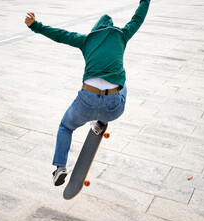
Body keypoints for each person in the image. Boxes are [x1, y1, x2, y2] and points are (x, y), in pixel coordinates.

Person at [25, 0, 151, 186]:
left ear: (96, 29)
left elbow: (60, 35)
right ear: (111, 28)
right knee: (122, 83)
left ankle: (60, 167)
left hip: (86, 101)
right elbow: (138, 18)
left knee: (66, 127)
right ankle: (102, 122)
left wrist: (35, 25)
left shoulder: (85, 40)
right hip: (113, 107)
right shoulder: (122, 35)